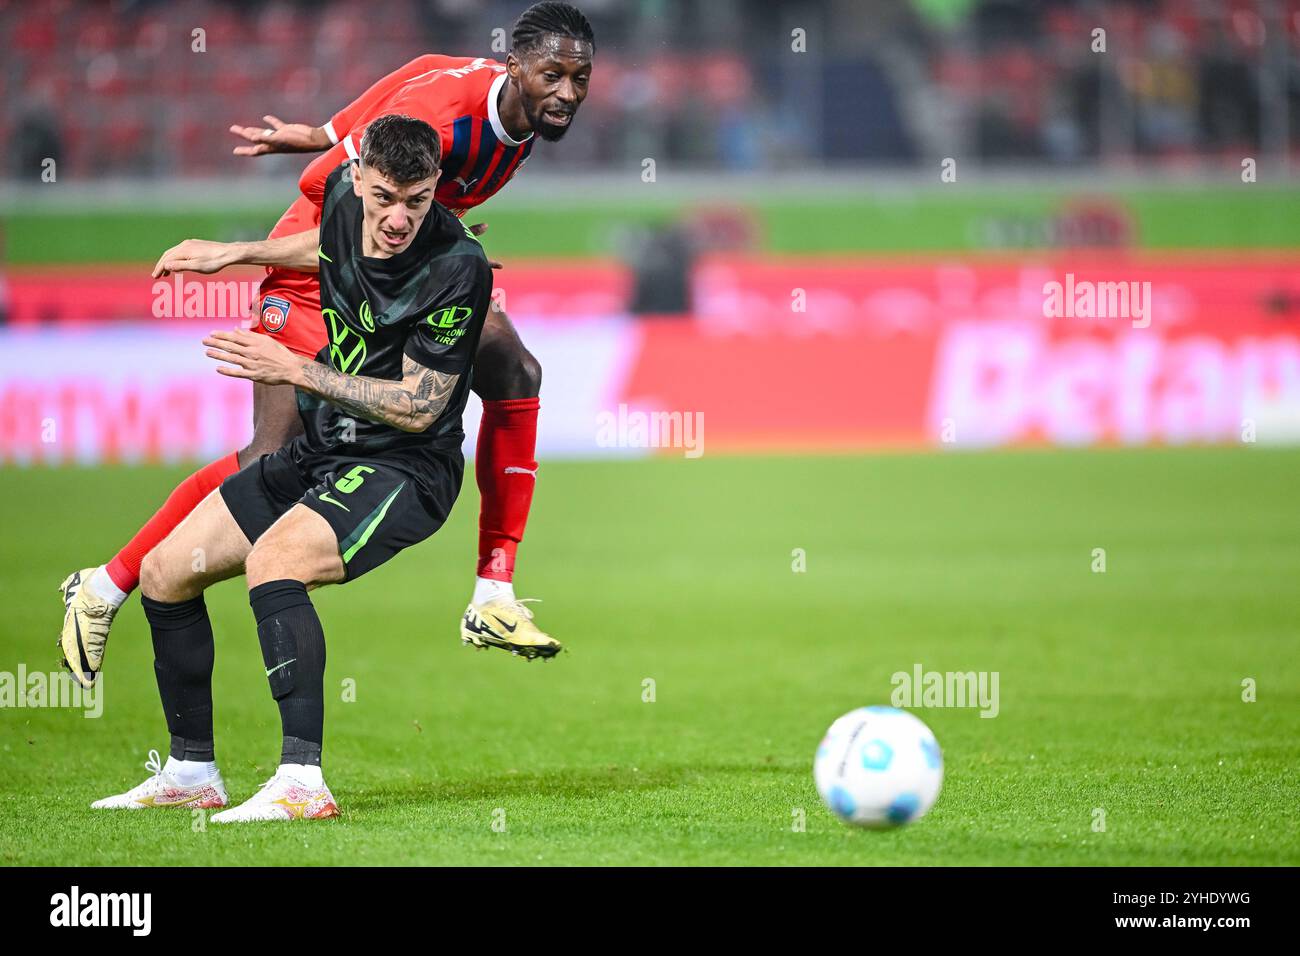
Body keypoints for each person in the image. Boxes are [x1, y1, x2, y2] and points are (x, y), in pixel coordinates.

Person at [58, 1, 595, 686]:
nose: (568, 93)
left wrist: (325, 130)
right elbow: (324, 190)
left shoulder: (505, 111)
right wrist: (257, 238)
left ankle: (493, 593)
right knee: (270, 459)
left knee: (516, 370)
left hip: (390, 274)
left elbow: (421, 69)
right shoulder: (450, 115)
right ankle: (104, 586)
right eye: (554, 75)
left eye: (580, 78)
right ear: (517, 66)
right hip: (310, 272)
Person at [92, 115, 500, 820]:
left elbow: (418, 405)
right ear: (361, 177)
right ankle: (192, 771)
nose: (397, 218)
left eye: (417, 199)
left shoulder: (456, 267)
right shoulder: (343, 195)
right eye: (383, 197)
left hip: (405, 466)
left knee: (274, 564)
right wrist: (235, 254)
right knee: (164, 571)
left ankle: (302, 784)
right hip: (324, 448)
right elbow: (330, 246)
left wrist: (297, 369)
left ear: (437, 186)